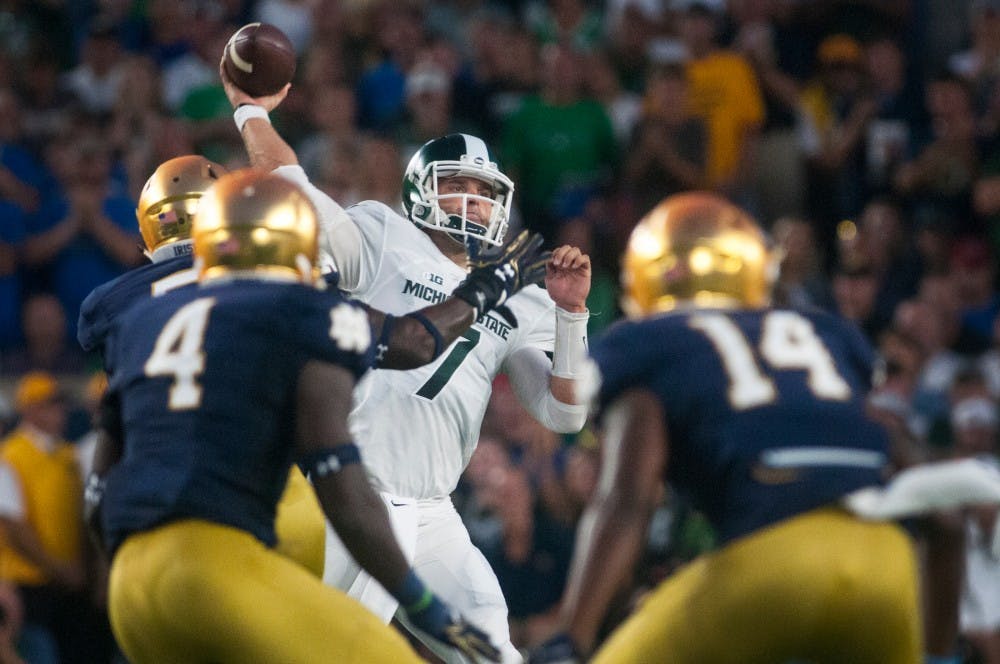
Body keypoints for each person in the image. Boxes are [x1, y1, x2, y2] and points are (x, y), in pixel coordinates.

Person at [222, 65, 592, 663]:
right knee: (332, 650)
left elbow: (563, 413)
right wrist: (251, 112)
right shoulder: (382, 236)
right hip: (355, 487)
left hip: (433, 508)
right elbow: (288, 184)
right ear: (422, 190)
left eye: (484, 193)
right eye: (457, 188)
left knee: (491, 650)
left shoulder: (519, 291)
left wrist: (571, 316)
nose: (472, 204)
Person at [88, 168, 501, 664]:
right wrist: (419, 600)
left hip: (130, 583)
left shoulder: (140, 320)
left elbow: (98, 488)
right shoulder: (298, 311)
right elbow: (343, 485)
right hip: (214, 568)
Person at [529, 192, 925, 663]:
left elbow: (627, 500)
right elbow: (913, 472)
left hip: (771, 563)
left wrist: (570, 637)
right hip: (887, 563)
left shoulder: (645, 343)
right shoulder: (824, 329)